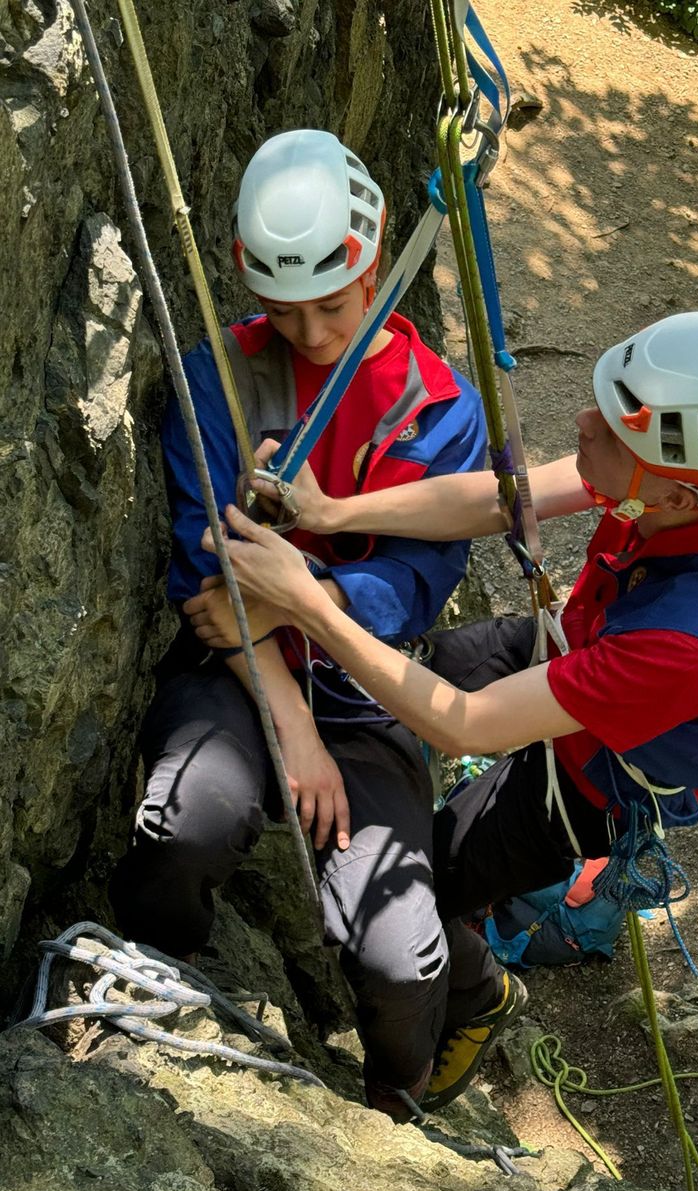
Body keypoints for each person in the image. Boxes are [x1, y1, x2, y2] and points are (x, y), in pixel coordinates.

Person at [187, 310, 698, 1113]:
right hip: (578, 648)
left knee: (429, 884)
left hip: (594, 773)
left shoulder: (689, 642)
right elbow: (502, 500)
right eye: (600, 403)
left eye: (613, 432)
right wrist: (330, 515)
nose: (583, 422)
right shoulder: (691, 487)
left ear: (672, 491)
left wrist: (307, 604)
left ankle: (479, 998)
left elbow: (467, 725)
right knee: (427, 667)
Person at [109, 129, 490, 1116]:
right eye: (285, 311)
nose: (314, 333)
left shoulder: (441, 411)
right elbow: (207, 583)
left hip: (367, 687)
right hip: (237, 674)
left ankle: (398, 1108)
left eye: (334, 303)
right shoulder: (218, 377)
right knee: (187, 822)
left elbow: (417, 580)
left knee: (405, 962)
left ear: (376, 263)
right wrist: (291, 712)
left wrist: (305, 597)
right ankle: (158, 993)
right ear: (247, 281)